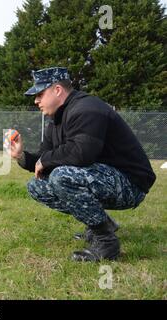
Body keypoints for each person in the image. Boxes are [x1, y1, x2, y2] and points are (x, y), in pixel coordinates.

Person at [10, 67, 156, 262]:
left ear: (58, 90)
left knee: (61, 177)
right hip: (104, 177)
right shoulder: (56, 119)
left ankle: (106, 242)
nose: (36, 100)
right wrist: (21, 156)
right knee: (36, 186)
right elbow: (44, 157)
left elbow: (82, 153)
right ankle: (102, 224)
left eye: (40, 94)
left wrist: (46, 160)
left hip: (130, 183)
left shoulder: (87, 108)